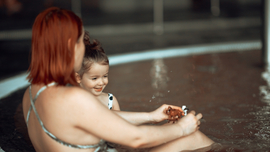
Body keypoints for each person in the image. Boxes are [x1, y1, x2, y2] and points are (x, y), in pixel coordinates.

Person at [22, 7, 214, 152]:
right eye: (81, 40)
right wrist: (182, 128)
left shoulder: (32, 92)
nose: (84, 46)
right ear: (70, 45)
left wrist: (151, 116)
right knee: (192, 138)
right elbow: (137, 139)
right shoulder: (73, 98)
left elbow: (94, 118)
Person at [75, 32, 120, 111]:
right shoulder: (74, 102)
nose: (101, 82)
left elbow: (120, 122)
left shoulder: (111, 101)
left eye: (105, 76)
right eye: (94, 78)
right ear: (78, 78)